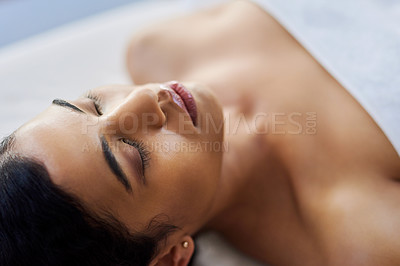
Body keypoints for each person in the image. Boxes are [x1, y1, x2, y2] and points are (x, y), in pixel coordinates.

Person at [1, 1, 399, 265]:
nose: (144, 100)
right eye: (135, 155)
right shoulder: (361, 232)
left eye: (90, 104)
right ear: (171, 256)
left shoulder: (159, 46)